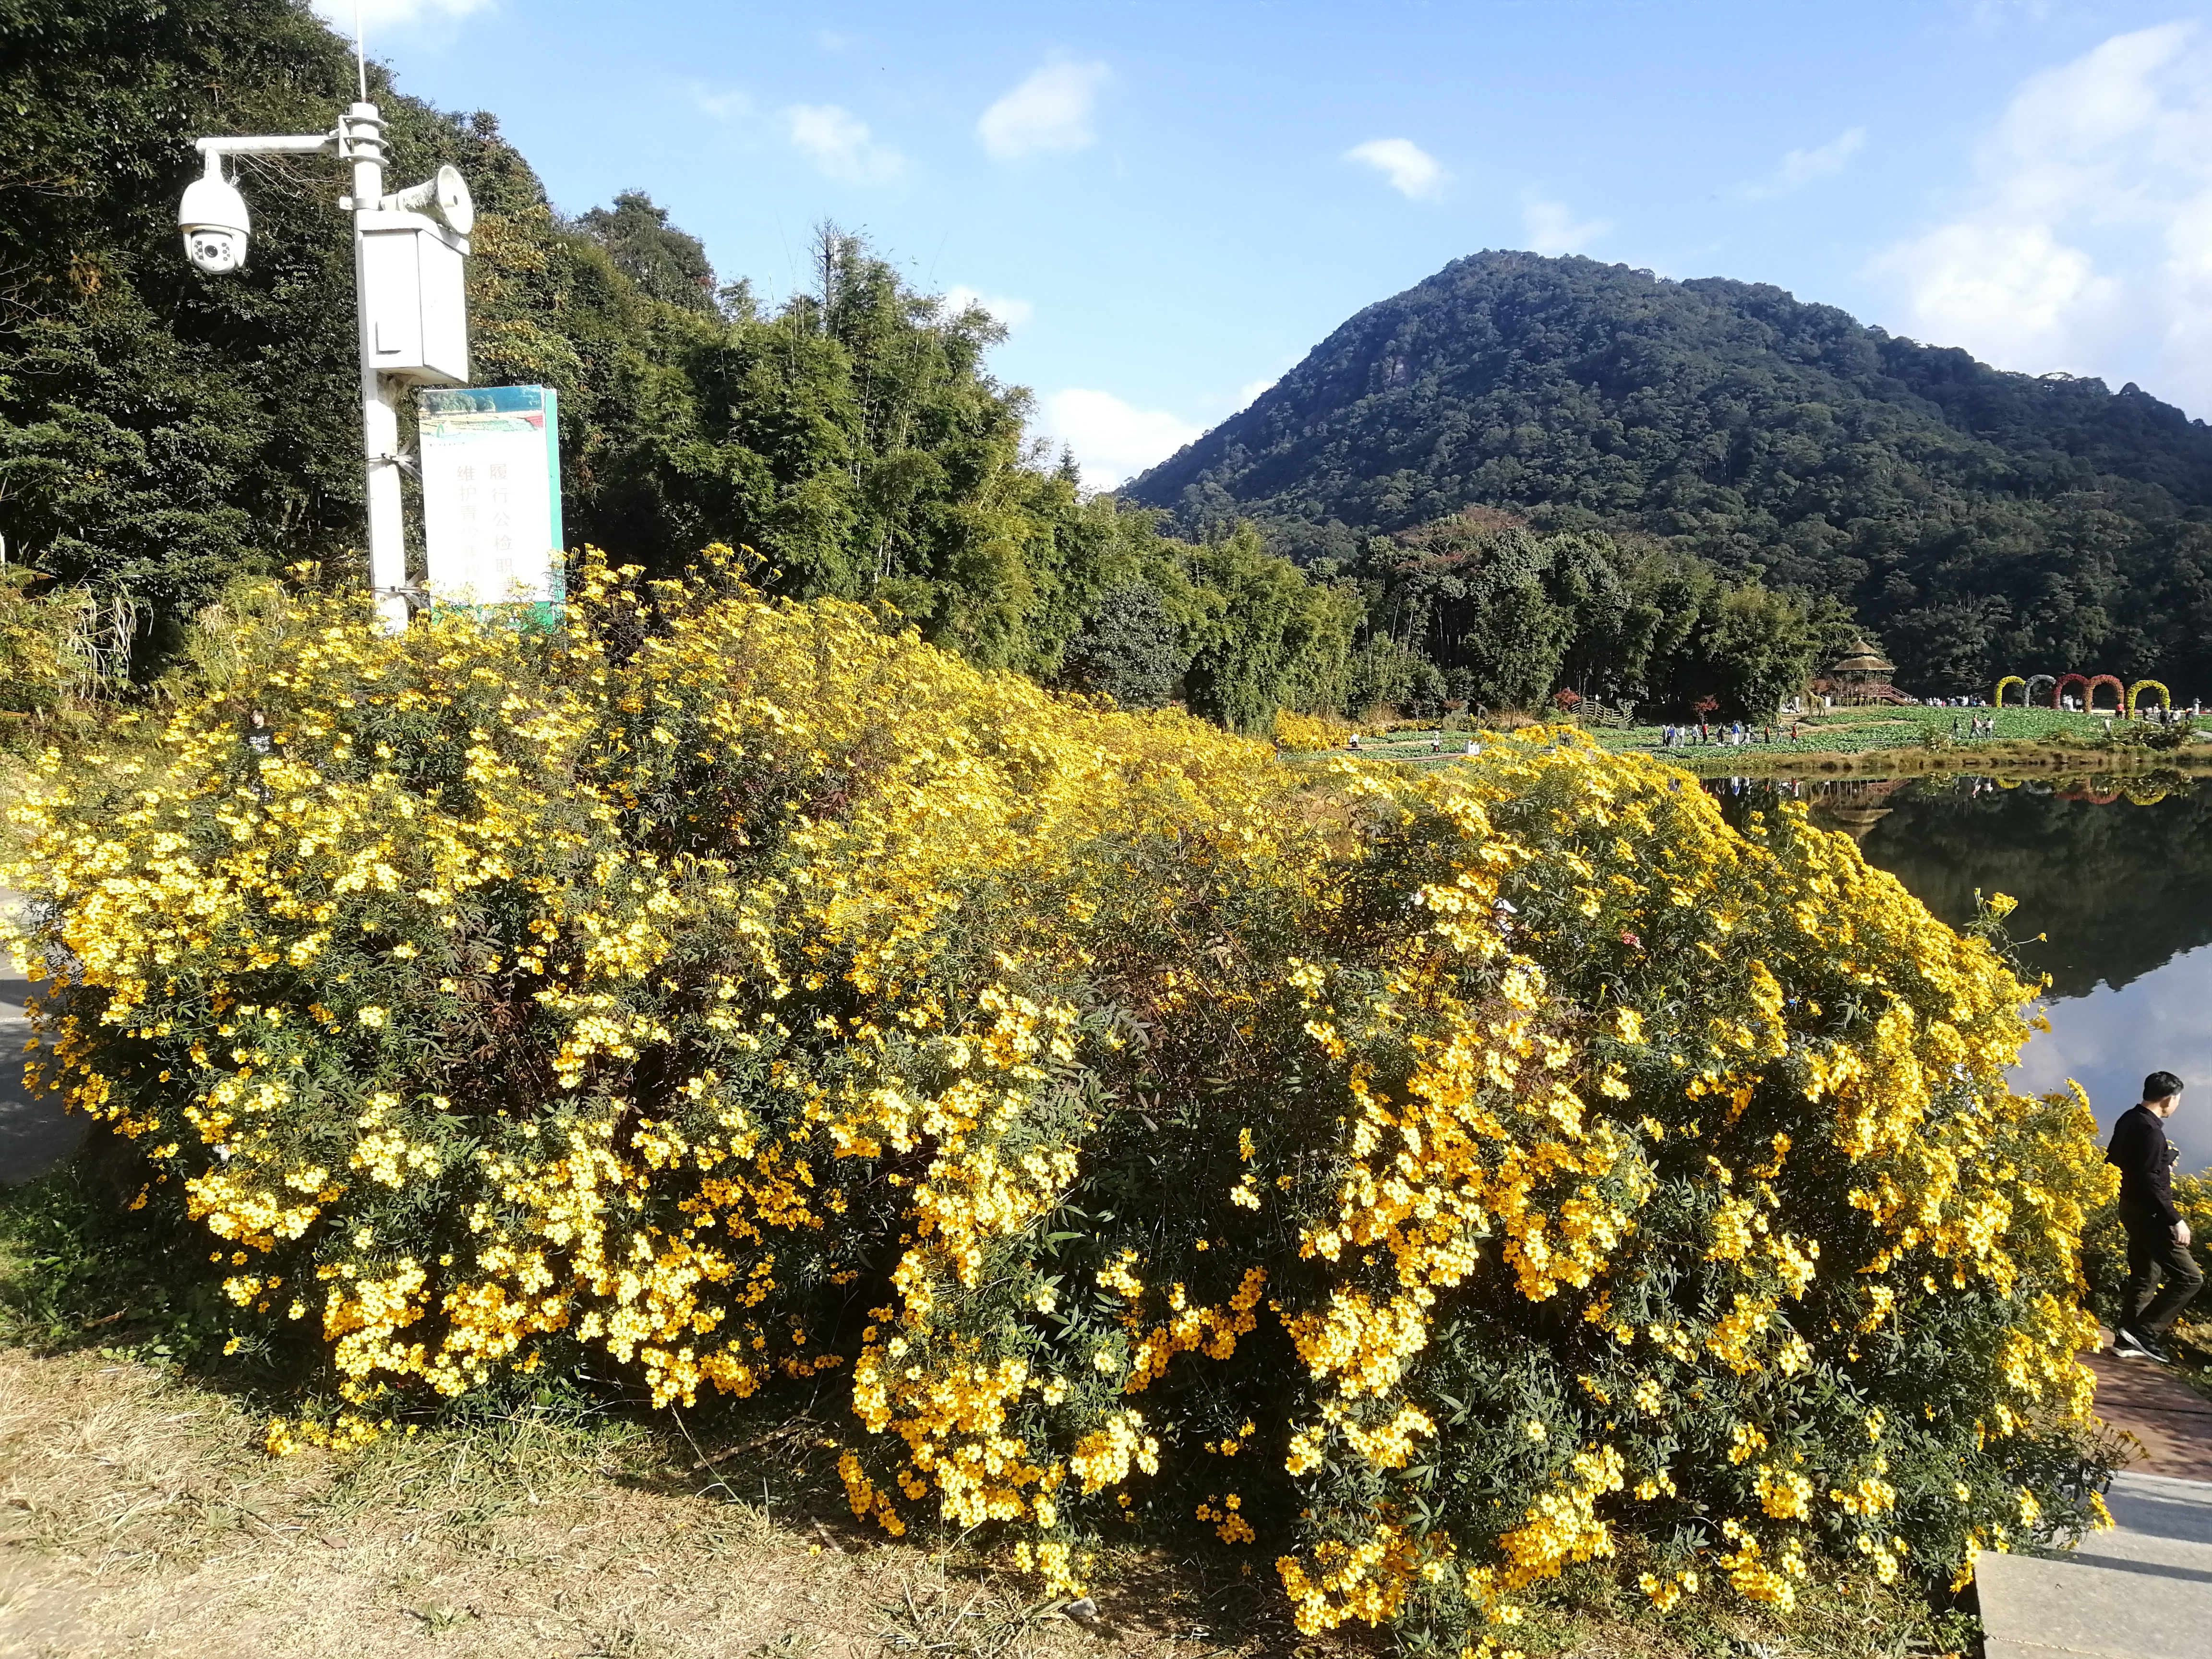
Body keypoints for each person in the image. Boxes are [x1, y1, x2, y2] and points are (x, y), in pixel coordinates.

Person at [2106, 1071, 2202, 1362]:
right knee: (2190, 1278)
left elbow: (2118, 1160)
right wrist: (2176, 1220)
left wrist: (2162, 1162)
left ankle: (2125, 1341)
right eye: (2178, 1100)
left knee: (2147, 1275)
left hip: (2130, 1207)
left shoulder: (2130, 1119)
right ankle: (2145, 1332)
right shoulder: (2152, 1133)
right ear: (2169, 1100)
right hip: (2149, 1213)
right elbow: (2151, 1182)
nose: (2177, 1105)